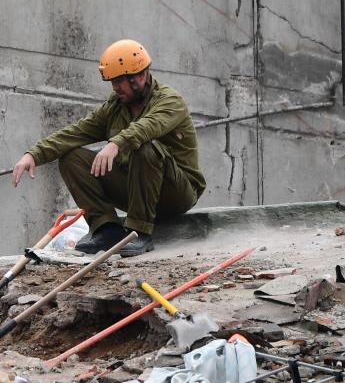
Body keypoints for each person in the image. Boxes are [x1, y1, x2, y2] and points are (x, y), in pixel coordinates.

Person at [11, 40, 205, 256]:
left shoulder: (170, 100)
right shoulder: (115, 106)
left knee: (144, 147)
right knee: (71, 157)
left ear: (140, 76)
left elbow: (148, 126)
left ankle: (139, 232)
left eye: (119, 81)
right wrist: (34, 154)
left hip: (176, 193)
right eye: (112, 81)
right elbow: (77, 131)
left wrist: (116, 143)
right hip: (136, 190)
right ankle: (107, 229)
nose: (114, 87)